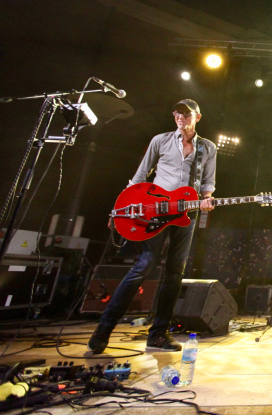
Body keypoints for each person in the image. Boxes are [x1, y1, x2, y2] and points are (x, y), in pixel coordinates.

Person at [88, 99, 217, 355]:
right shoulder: (160, 140)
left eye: (186, 113)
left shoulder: (208, 147)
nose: (181, 117)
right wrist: (121, 208)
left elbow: (208, 183)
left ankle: (158, 334)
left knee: (174, 274)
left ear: (197, 117)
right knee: (143, 267)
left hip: (185, 215)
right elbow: (140, 176)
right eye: (177, 112)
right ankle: (104, 328)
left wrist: (206, 200)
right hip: (154, 212)